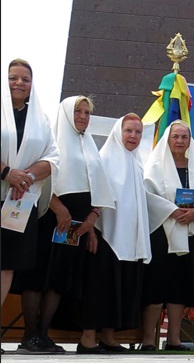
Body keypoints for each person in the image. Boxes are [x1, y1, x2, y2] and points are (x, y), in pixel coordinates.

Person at [21, 96, 116, 355]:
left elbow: (97, 186)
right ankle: (29, 336)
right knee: (39, 276)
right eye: (78, 111)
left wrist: (93, 217)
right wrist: (58, 208)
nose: (83, 116)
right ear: (65, 114)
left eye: (87, 112)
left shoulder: (90, 146)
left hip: (76, 225)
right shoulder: (50, 142)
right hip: (50, 216)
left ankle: (43, 334)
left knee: (59, 279)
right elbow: (37, 177)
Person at [141, 120, 194, 351]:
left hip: (189, 230)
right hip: (161, 231)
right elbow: (147, 192)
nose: (180, 141)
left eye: (184, 137)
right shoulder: (155, 164)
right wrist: (171, 211)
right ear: (168, 138)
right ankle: (147, 341)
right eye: (176, 136)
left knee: (180, 284)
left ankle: (173, 339)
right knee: (156, 284)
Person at [81, 113, 152, 352]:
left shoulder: (137, 161)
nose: (133, 136)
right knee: (99, 287)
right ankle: (88, 339)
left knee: (118, 286)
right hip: (105, 234)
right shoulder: (104, 159)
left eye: (138, 132)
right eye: (128, 131)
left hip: (128, 237)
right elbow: (94, 197)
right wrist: (91, 231)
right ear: (118, 133)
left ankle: (109, 337)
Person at [1, 59, 59, 318]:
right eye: (14, 77)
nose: (19, 83)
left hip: (20, 201)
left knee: (6, 267)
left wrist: (25, 177)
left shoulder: (41, 119)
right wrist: (6, 173)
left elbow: (53, 157)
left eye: (25, 79)